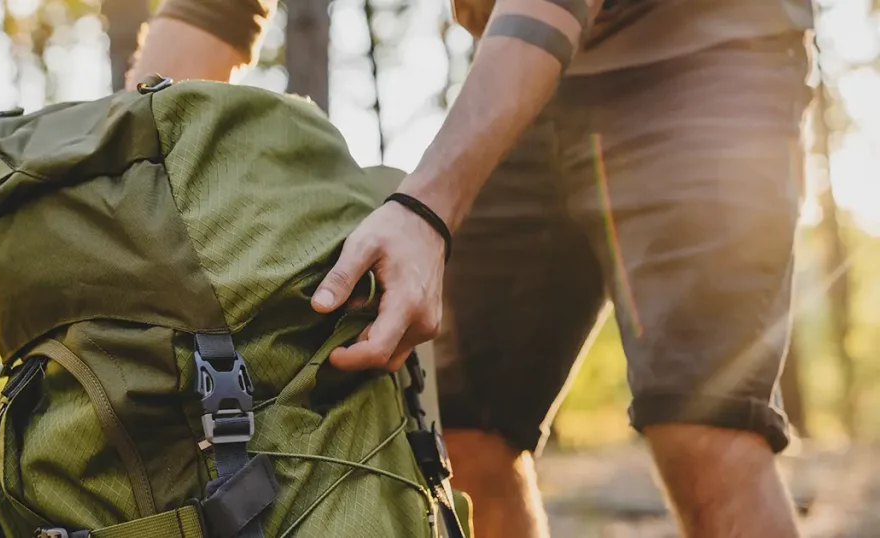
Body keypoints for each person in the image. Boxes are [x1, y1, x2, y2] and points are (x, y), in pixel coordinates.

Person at [127, 0, 815, 536]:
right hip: (532, 80)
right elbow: (211, 12)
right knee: (463, 434)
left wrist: (425, 210)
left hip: (705, 57)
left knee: (703, 423)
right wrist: (111, 173)